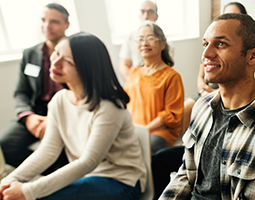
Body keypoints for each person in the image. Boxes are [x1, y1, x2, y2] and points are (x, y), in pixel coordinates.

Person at [159, 13, 255, 199]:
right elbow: (186, 175)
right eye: (205, 44)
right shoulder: (202, 107)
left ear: (253, 56)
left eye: (221, 44)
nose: (206, 54)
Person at [0, 32, 146, 200]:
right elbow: (48, 150)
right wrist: (9, 180)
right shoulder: (60, 100)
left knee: (36, 197)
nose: (55, 62)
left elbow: (87, 162)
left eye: (68, 61)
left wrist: (28, 191)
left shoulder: (109, 107)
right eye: (56, 53)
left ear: (87, 69)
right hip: (87, 176)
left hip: (120, 181)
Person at [0, 3, 70, 172]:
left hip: (66, 114)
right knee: (6, 143)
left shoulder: (75, 52)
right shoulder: (30, 54)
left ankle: (65, 175)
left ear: (66, 25)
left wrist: (53, 119)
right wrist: (28, 117)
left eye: (54, 21)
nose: (47, 26)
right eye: (43, 20)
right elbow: (21, 92)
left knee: (63, 147)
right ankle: (50, 173)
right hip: (36, 113)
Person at [181, 1, 247, 134]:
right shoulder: (209, 48)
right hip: (206, 91)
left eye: (234, 16)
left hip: (222, 94)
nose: (207, 53)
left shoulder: (241, 51)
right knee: (188, 106)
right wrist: (203, 91)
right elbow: (201, 76)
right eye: (226, 15)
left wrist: (213, 93)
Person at [124, 21, 183, 154]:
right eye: (140, 39)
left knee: (136, 151)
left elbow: (172, 114)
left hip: (159, 132)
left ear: (162, 43)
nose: (144, 43)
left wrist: (144, 131)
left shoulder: (172, 76)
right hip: (133, 130)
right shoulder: (133, 71)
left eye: (150, 38)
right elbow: (125, 102)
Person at [119, 0, 174, 80]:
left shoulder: (167, 43)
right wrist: (133, 85)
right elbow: (124, 65)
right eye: (142, 12)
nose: (146, 16)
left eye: (150, 12)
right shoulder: (131, 37)